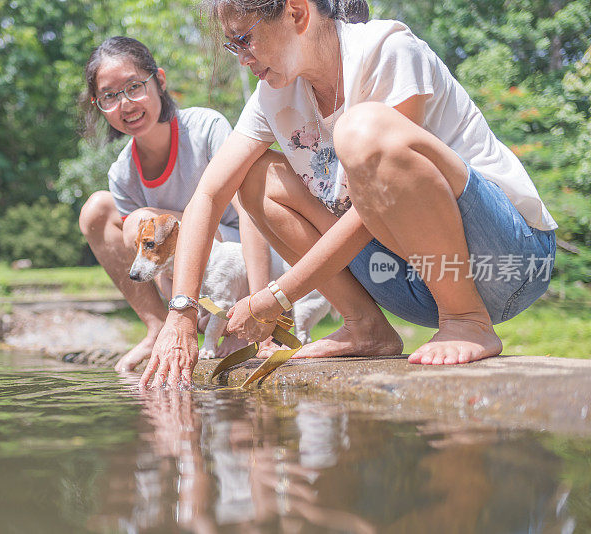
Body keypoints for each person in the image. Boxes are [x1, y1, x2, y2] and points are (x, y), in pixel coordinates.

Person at [140, 0, 557, 388]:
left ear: (297, 13)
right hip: (413, 284)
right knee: (254, 178)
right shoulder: (273, 95)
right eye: (233, 47)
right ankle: (366, 326)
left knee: (362, 132)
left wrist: (278, 294)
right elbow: (209, 195)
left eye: (245, 39)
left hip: (504, 259)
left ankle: (467, 318)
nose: (244, 58)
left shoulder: (387, 50)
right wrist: (181, 311)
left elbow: (377, 204)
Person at [78, 36, 272, 372]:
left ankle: (211, 314)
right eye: (109, 96)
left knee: (141, 219)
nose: (125, 104)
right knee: (98, 210)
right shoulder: (122, 174)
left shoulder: (206, 128)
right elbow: (151, 259)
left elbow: (251, 213)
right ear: (98, 104)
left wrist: (260, 307)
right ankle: (159, 326)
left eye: (134, 86)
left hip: (234, 258)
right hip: (185, 285)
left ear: (160, 81)